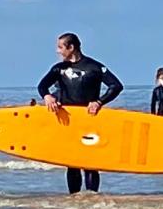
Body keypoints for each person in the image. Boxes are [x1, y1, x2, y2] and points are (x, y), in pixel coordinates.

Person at [37, 33, 123, 194]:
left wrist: (99, 102)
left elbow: (116, 86)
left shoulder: (95, 67)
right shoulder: (58, 69)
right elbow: (42, 86)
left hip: (90, 119)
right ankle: (75, 200)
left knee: (90, 164)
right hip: (68, 120)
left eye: (60, 47)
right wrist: (47, 97)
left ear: (71, 47)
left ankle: (92, 200)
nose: (57, 51)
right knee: (72, 163)